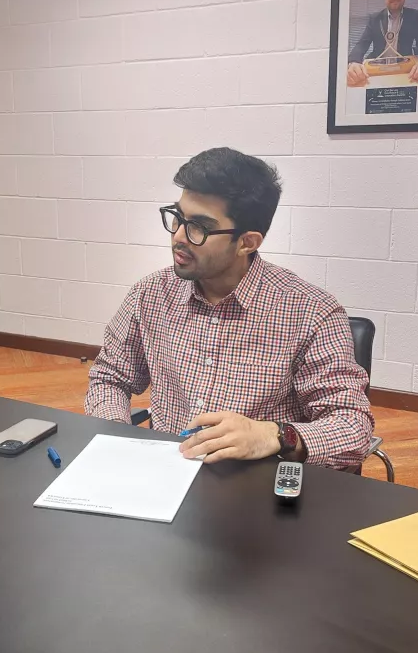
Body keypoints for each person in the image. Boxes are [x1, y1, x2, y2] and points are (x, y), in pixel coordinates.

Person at [85, 147, 374, 468]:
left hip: (257, 485)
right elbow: (110, 377)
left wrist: (275, 436)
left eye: (200, 227)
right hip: (166, 474)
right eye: (178, 217)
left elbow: (352, 426)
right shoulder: (151, 294)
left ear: (247, 242)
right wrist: (119, 443)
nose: (179, 236)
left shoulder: (310, 312)